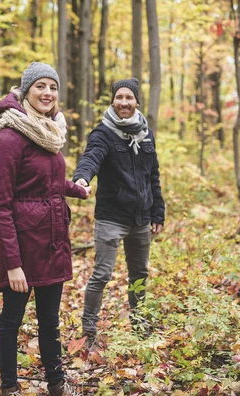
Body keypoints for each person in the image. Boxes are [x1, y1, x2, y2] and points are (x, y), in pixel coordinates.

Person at [0, 62, 91, 396]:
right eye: (41, 87)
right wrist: (13, 263)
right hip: (21, 246)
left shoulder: (49, 131)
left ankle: (57, 387)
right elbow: (1, 205)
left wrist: (74, 188)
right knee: (11, 319)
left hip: (51, 241)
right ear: (26, 91)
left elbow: (44, 182)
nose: (48, 93)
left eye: (53, 87)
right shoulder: (9, 137)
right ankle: (9, 388)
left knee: (50, 321)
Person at [73, 78, 165, 347]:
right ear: (113, 101)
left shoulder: (146, 133)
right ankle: (89, 330)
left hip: (141, 218)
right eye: (119, 97)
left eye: (129, 97)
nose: (124, 102)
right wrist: (82, 179)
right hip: (111, 217)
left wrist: (157, 212)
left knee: (139, 275)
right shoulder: (103, 133)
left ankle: (138, 324)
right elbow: (91, 157)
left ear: (136, 101)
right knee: (102, 275)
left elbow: (153, 176)